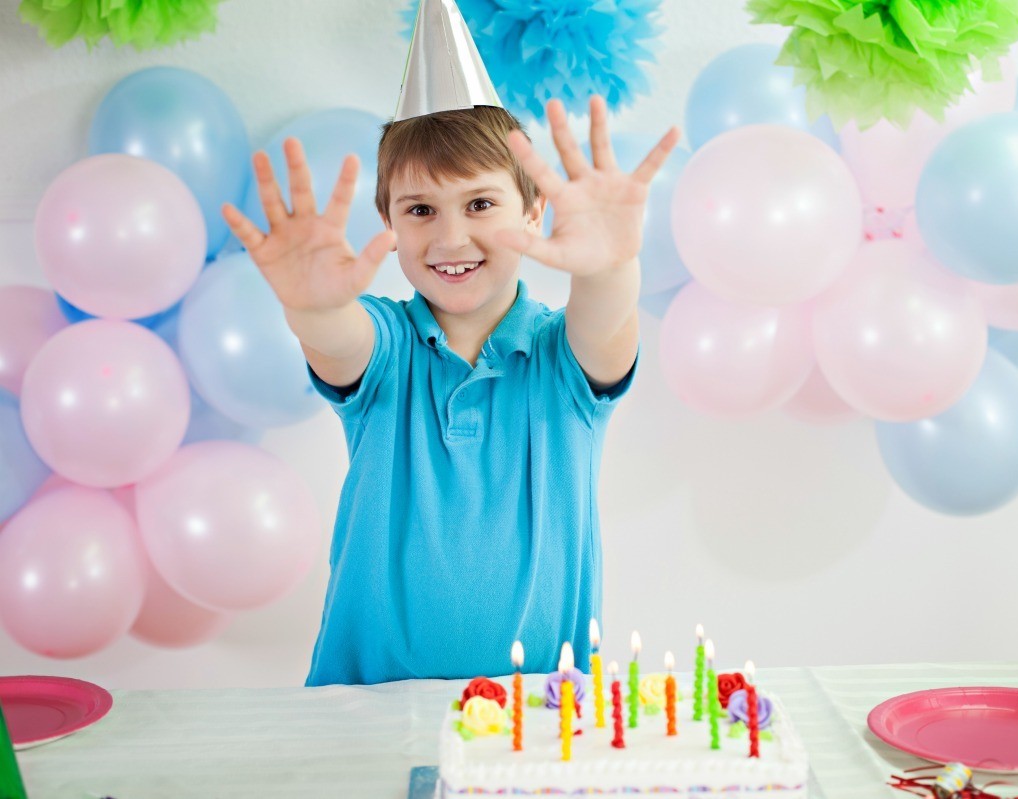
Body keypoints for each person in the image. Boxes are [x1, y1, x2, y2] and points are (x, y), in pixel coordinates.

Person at [220, 0, 679, 684]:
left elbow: (607, 321)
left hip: (543, 722)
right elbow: (337, 342)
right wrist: (310, 306)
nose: (451, 238)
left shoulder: (562, 359)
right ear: (389, 221)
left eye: (481, 204)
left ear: (531, 210)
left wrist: (612, 262)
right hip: (360, 709)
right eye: (421, 210)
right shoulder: (387, 345)